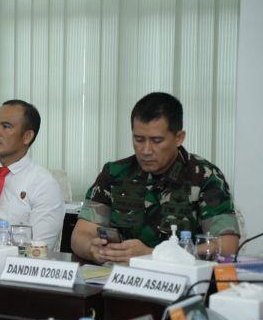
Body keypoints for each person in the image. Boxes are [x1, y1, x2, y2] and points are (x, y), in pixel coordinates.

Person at [71, 92, 240, 264]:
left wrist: (152, 255)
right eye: (139, 139)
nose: (146, 150)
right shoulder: (114, 173)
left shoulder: (204, 176)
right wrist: (92, 248)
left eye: (157, 141)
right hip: (119, 276)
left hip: (181, 278)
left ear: (179, 138)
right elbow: (80, 235)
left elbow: (227, 246)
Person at [0, 100, 65, 250]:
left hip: (14, 262)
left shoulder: (44, 185)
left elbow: (37, 249)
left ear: (27, 136)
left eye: (6, 126)